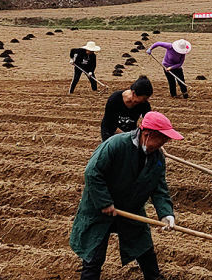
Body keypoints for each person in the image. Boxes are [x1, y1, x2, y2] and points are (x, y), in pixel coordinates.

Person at [70, 111, 184, 280]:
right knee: (94, 259)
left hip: (130, 208)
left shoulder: (157, 158)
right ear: (147, 134)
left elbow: (159, 187)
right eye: (161, 139)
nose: (162, 144)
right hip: (99, 210)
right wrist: (104, 202)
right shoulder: (116, 144)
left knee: (145, 251)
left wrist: (166, 213)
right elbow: (92, 172)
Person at [100, 75, 153, 142]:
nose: (144, 101)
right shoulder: (114, 99)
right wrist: (129, 137)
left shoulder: (144, 104)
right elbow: (110, 124)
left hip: (129, 133)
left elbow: (149, 122)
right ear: (134, 93)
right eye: (144, 98)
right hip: (110, 133)